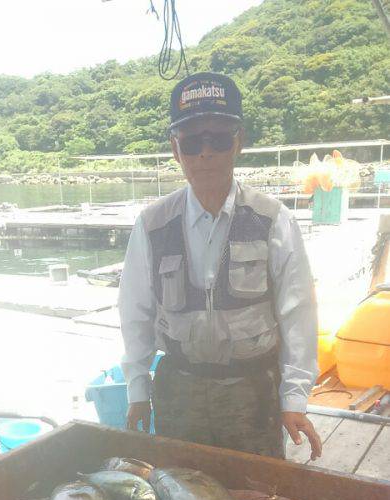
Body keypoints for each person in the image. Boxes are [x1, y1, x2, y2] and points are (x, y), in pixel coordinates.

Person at [118, 71, 322, 460]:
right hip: (178, 389)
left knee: (260, 492)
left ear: (238, 143)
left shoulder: (272, 219)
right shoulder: (152, 225)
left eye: (219, 138)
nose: (205, 153)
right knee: (184, 493)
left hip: (254, 389)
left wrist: (294, 397)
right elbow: (135, 313)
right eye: (192, 141)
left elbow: (298, 313)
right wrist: (137, 390)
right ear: (175, 149)